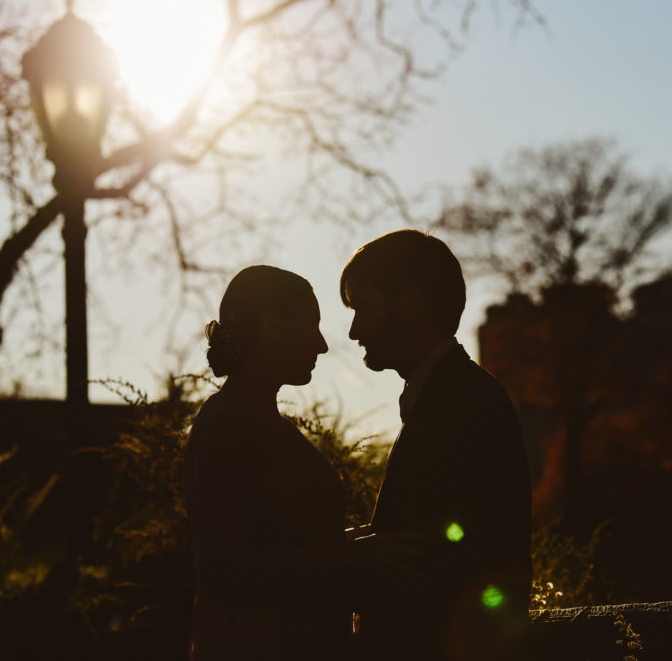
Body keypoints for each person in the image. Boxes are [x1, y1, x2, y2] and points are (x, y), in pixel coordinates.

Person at [183, 265, 420, 661]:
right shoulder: (227, 425)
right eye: (310, 324)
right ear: (272, 325)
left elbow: (282, 541)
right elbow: (224, 565)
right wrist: (351, 557)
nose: (322, 344)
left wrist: (363, 543)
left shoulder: (258, 422)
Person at [341, 230, 532, 661]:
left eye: (363, 307)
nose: (354, 329)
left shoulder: (463, 400)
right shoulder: (455, 395)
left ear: (409, 304)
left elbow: (453, 552)